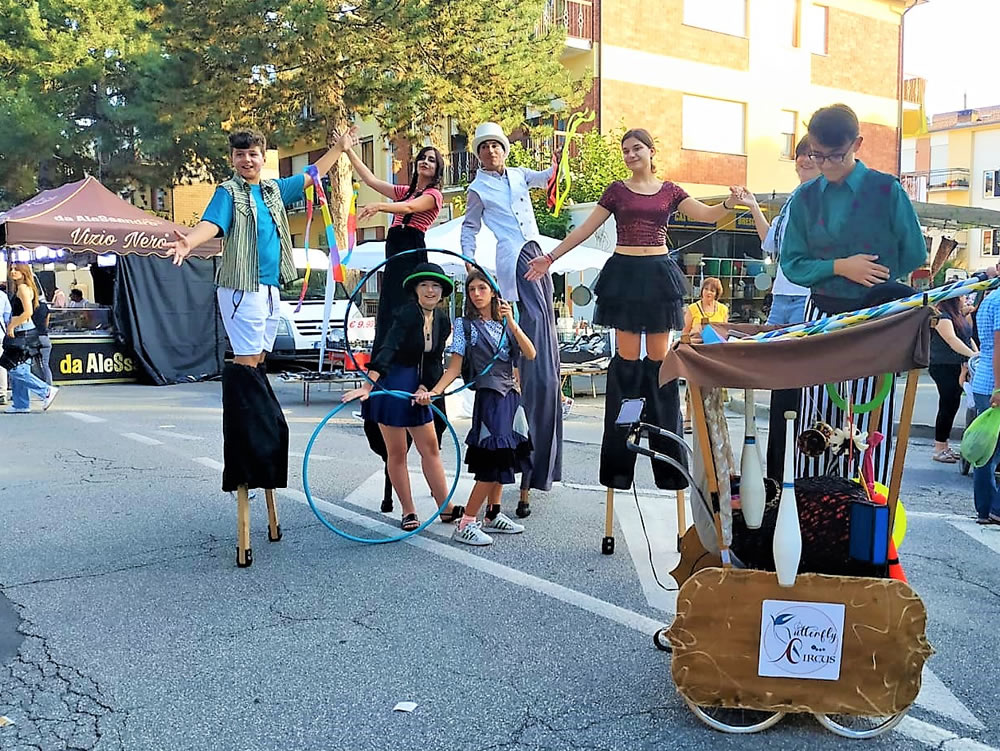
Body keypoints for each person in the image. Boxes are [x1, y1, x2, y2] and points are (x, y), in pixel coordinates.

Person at [527, 127, 746, 491]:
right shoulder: (616, 190)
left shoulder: (671, 190)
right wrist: (550, 258)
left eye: (637, 148)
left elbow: (706, 215)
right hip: (625, 276)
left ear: (651, 150)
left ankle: (668, 463)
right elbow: (584, 229)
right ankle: (619, 464)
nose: (631, 154)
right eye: (626, 150)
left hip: (659, 275)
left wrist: (729, 202)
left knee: (659, 366)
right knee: (627, 368)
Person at [164, 127, 355, 500]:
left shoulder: (273, 190)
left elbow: (312, 174)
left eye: (253, 154)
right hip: (241, 287)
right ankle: (249, 448)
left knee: (259, 362)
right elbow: (211, 225)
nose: (247, 160)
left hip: (270, 287)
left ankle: (258, 438)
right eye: (240, 155)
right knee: (248, 364)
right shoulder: (228, 192)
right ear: (232, 159)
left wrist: (340, 149)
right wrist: (189, 240)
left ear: (262, 157)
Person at [781, 104, 927, 484]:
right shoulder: (805, 198)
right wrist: (840, 266)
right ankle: (813, 510)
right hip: (822, 317)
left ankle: (861, 513)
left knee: (864, 424)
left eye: (836, 155)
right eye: (817, 154)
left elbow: (914, 253)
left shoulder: (887, 190)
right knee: (815, 421)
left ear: (857, 144)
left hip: (876, 321)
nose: (826, 164)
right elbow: (792, 263)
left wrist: (883, 278)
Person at [340, 133, 446, 511]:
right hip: (393, 260)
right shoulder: (402, 190)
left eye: (432, 161)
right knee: (389, 319)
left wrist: (380, 210)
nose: (426, 164)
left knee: (409, 315)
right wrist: (348, 148)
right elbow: (370, 179)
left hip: (411, 257)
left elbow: (411, 206)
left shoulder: (431, 197)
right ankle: (382, 371)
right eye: (423, 159)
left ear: (438, 170)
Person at [462, 122, 562, 517]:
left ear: (505, 150)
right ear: (478, 153)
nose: (491, 152)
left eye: (496, 146)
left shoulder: (519, 175)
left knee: (543, 325)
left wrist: (558, 164)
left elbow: (547, 179)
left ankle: (544, 365)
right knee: (529, 321)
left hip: (537, 251)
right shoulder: (477, 188)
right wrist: (470, 262)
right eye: (484, 147)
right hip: (513, 257)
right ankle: (530, 363)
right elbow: (470, 227)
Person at [418, 271, 536, 545]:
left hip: (511, 399)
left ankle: (492, 515)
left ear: (493, 291)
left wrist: (511, 322)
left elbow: (530, 353)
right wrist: (435, 392)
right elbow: (455, 367)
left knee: (506, 456)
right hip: (489, 399)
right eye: (472, 289)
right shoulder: (464, 325)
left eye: (482, 288)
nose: (476, 294)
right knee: (492, 462)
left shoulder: (506, 321)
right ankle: (467, 521)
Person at [343, 263, 462, 531]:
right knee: (396, 452)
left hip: (417, 385)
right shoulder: (406, 314)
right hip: (392, 382)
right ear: (416, 290)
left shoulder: (443, 320)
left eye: (435, 285)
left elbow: (433, 360)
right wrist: (369, 385)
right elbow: (388, 347)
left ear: (442, 291)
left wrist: (426, 388)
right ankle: (409, 511)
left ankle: (445, 507)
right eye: (424, 285)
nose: (430, 290)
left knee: (430, 447)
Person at [742, 136, 821, 481]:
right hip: (783, 294)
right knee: (778, 374)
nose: (805, 160)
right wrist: (753, 206)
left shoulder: (825, 199)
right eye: (802, 154)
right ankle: (778, 463)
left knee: (799, 375)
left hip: (807, 296)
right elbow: (770, 242)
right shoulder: (792, 201)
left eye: (813, 155)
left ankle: (798, 453)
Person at [4, 264, 59, 414]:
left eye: (17, 270)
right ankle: (21, 403)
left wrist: (11, 325)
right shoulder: (25, 288)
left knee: (12, 366)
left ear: (24, 273)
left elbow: (27, 311)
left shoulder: (22, 289)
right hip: (26, 331)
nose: (13, 272)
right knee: (21, 366)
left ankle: (45, 390)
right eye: (12, 269)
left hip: (24, 331)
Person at [929, 298, 977, 463]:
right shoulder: (943, 318)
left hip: (957, 365)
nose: (965, 299)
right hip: (944, 365)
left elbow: (967, 339)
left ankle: (944, 446)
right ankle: (939, 447)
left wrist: (976, 355)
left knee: (952, 404)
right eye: (962, 296)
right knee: (947, 404)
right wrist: (974, 356)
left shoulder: (958, 316)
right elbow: (952, 340)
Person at [679, 276, 728, 433]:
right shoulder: (693, 309)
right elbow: (684, 332)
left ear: (717, 293)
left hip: (715, 351)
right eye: (706, 289)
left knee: (715, 386)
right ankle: (689, 416)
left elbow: (725, 330)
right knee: (693, 383)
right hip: (697, 349)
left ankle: (714, 418)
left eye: (712, 290)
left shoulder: (722, 309)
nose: (708, 292)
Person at [971, 288, 1000, 524]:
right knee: (990, 452)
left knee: (987, 452)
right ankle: (994, 508)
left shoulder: (990, 298)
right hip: (994, 384)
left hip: (984, 380)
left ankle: (986, 508)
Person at [31, 294, 53, 385]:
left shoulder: (30, 306)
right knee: (45, 364)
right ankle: (49, 385)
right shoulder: (44, 307)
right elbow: (46, 323)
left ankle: (39, 384)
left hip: (33, 338)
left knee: (33, 364)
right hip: (44, 337)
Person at [0, 284, 10, 406]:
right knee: (1, 365)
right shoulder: (3, 296)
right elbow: (8, 317)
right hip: (0, 334)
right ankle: (2, 393)